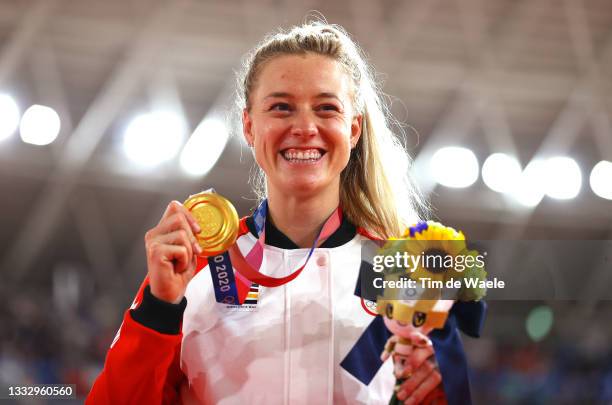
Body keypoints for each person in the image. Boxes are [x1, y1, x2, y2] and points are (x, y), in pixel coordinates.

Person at [86, 21, 485, 405]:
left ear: (354, 130)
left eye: (326, 108)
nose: (305, 126)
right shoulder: (196, 267)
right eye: (281, 107)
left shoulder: (402, 270)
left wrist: (440, 380)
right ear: (249, 126)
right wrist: (159, 310)